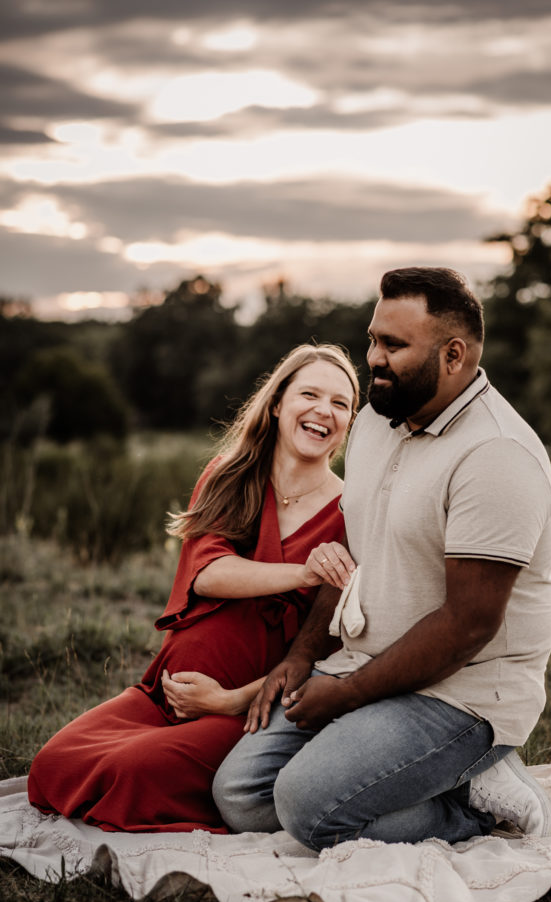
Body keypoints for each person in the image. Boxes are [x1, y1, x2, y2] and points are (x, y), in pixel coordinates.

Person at [211, 267, 551, 851]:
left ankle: (471, 803)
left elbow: (468, 624)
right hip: (364, 660)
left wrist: (346, 697)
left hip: (463, 693)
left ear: (453, 355)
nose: (372, 357)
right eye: (373, 339)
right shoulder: (376, 420)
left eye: (394, 345)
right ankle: (438, 783)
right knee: (241, 795)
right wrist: (302, 656)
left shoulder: (497, 454)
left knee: (304, 805)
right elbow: (352, 546)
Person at [27, 344, 360, 833]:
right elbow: (209, 572)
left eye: (340, 403)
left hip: (247, 712)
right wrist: (306, 573)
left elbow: (330, 654)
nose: (322, 411)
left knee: (127, 774)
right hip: (162, 693)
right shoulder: (230, 475)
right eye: (309, 394)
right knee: (52, 766)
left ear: (351, 422)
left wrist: (226, 700)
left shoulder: (352, 512)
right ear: (277, 403)